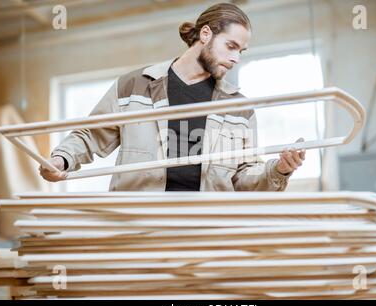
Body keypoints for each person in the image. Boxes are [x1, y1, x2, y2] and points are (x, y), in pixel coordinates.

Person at [40, 3, 306, 191]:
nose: (236, 58)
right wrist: (61, 159)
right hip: (140, 228)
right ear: (205, 34)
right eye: (231, 46)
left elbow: (244, 178)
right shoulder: (134, 86)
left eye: (241, 51)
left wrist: (279, 170)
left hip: (206, 233)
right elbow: (90, 136)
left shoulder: (239, 108)